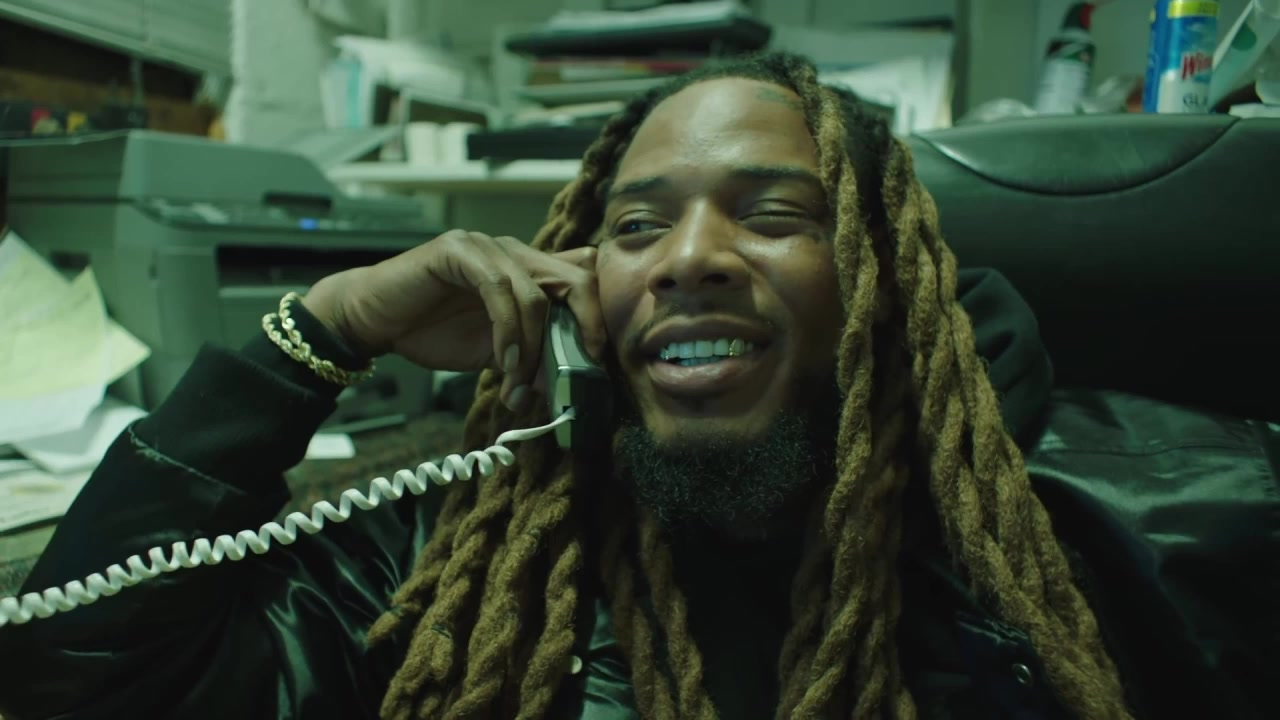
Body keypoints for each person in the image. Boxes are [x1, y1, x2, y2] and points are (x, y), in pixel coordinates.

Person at [0, 51, 1275, 720]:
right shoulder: (465, 552)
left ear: (880, 279)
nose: (686, 259)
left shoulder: (1180, 512)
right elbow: (80, 678)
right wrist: (317, 334)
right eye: (635, 227)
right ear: (584, 291)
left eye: (771, 214)